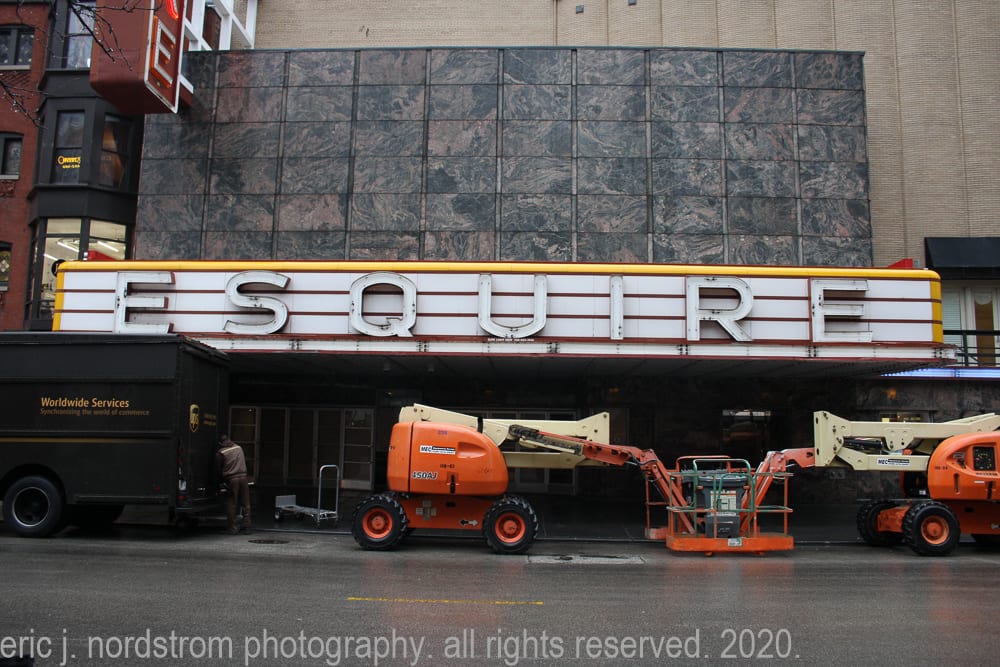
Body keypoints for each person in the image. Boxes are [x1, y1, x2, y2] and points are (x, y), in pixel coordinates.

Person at [217, 435, 251, 534]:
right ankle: (247, 526)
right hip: (244, 477)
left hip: (232, 479)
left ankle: (232, 528)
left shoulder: (221, 453)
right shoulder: (239, 448)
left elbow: (218, 470)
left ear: (220, 443)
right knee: (246, 503)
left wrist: (220, 482)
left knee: (231, 503)